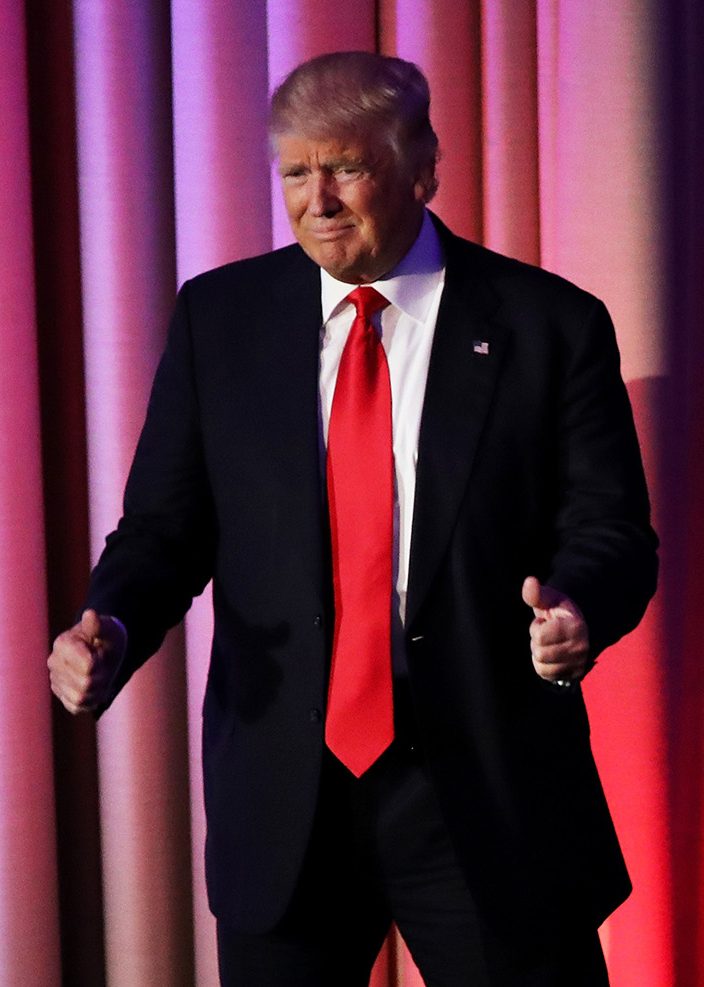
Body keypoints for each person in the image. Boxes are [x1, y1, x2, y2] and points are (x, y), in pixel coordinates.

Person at [48, 51, 658, 986]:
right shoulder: (223, 319)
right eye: (295, 171)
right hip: (287, 795)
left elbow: (613, 527)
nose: (317, 199)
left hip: (484, 787)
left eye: (347, 167)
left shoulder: (549, 323)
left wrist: (576, 608)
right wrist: (114, 622)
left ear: (422, 168)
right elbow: (166, 525)